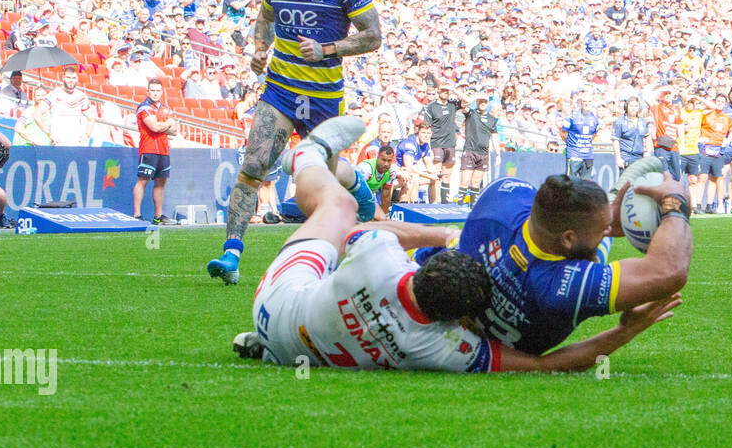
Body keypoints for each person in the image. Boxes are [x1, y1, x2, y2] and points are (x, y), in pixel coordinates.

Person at [233, 117, 680, 372]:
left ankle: (309, 158)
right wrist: (627, 329)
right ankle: (310, 156)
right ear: (456, 321)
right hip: (293, 345)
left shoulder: (383, 259)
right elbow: (546, 367)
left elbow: (367, 234)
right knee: (344, 208)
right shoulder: (444, 347)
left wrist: (444, 236)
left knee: (339, 210)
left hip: (279, 302)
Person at [208, 0, 382, 286]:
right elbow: (266, 17)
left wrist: (328, 48)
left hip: (323, 97)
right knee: (253, 164)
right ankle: (231, 253)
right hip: (280, 90)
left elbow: (373, 36)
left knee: (324, 179)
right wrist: (259, 48)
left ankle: (356, 190)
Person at [438, 160, 691, 355]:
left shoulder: (503, 192)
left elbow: (550, 203)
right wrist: (675, 203)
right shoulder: (561, 287)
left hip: (430, 274)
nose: (608, 230)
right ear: (568, 239)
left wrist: (601, 216)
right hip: (465, 335)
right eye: (603, 228)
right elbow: (668, 271)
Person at [133, 78, 176, 224]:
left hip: (164, 150)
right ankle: (137, 214)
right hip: (149, 148)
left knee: (160, 182)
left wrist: (163, 125)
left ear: (162, 92)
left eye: (158, 90)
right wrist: (167, 123)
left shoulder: (165, 108)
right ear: (148, 91)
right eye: (153, 90)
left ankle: (158, 217)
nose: (155, 93)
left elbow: (175, 131)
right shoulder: (143, 108)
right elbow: (154, 127)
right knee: (142, 180)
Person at [421, 84, 465, 204]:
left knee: (447, 175)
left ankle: (445, 203)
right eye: (443, 89)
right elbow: (426, 127)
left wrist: (453, 89)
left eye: (447, 90)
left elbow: (468, 101)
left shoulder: (452, 104)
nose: (445, 92)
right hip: (437, 143)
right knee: (436, 176)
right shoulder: (431, 107)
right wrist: (428, 147)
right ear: (438, 91)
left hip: (450, 144)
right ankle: (434, 203)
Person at [458, 94, 500, 204]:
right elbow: (463, 105)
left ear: (488, 103)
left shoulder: (492, 120)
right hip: (470, 151)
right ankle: (458, 205)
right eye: (480, 101)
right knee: (465, 181)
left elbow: (495, 137)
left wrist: (498, 154)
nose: (482, 103)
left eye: (485, 101)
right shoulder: (471, 113)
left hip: (483, 154)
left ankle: (473, 207)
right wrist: (474, 97)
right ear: (477, 102)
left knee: (476, 182)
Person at [44, 64, 94, 146]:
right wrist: (49, 134)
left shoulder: (82, 96)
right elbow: (37, 114)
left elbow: (92, 117)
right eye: (68, 77)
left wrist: (87, 135)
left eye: (74, 78)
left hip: (76, 143)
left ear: (77, 79)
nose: (71, 80)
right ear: (63, 78)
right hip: (59, 142)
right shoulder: (54, 94)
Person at [395, 122, 440, 203]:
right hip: (398, 171)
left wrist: (435, 174)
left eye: (428, 133)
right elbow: (409, 167)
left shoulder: (425, 145)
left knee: (435, 179)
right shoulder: (410, 144)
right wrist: (428, 175)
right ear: (418, 132)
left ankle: (434, 206)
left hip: (409, 172)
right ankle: (412, 205)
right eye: (423, 133)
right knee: (414, 176)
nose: (426, 136)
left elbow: (429, 165)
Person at [560, 95, 599, 179]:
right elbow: (563, 133)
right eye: (585, 101)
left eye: (589, 102)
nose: (587, 104)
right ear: (581, 103)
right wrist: (572, 145)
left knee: (586, 184)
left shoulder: (595, 119)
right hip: (574, 155)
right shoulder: (571, 117)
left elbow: (594, 135)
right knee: (570, 182)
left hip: (588, 156)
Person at [611, 97, 651, 171]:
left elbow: (647, 136)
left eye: (636, 106)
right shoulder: (619, 121)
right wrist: (618, 158)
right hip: (626, 157)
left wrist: (647, 151)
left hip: (640, 157)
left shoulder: (642, 121)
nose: (633, 108)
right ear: (626, 107)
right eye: (631, 106)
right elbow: (615, 140)